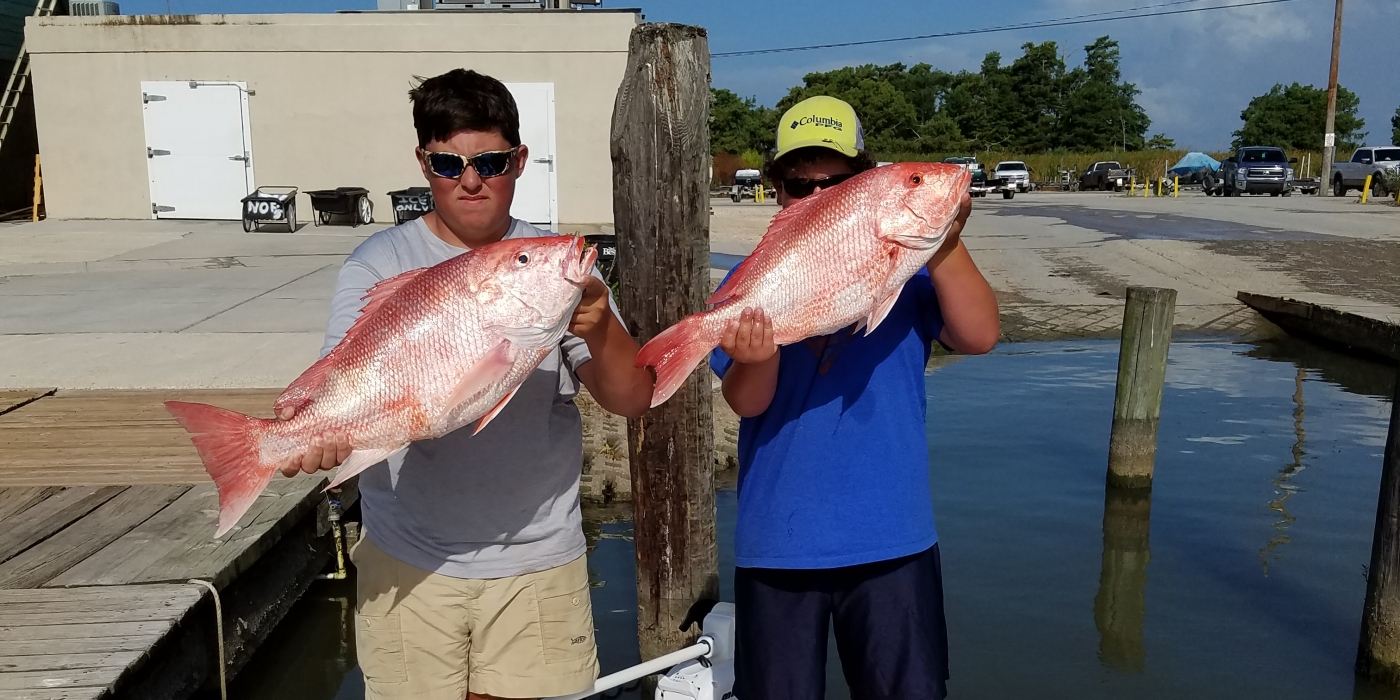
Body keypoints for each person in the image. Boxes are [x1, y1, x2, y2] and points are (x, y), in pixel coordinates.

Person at [277, 68, 654, 700]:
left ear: (520, 160)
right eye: (449, 165)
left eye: (491, 161)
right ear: (423, 163)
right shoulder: (379, 263)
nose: (471, 180)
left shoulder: (552, 266)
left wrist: (598, 330)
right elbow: (344, 380)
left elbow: (632, 397)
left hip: (538, 562)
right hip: (408, 560)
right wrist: (315, 434)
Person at [710, 95, 1000, 700]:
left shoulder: (912, 272)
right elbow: (747, 403)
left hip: (893, 538)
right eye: (798, 184)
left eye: (836, 181)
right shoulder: (749, 281)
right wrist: (754, 358)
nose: (817, 196)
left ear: (865, 182)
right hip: (778, 546)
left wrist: (940, 241)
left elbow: (980, 335)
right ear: (776, 190)